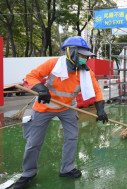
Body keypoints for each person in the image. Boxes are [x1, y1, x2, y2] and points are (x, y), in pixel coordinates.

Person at [13, 36, 108, 189]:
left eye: (86, 56)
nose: (85, 59)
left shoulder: (85, 72)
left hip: (67, 108)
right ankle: (28, 173)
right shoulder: (53, 64)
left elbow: (97, 90)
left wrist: (100, 109)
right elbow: (32, 76)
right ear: (71, 52)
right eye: (82, 55)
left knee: (72, 137)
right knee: (34, 142)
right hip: (45, 107)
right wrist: (41, 89)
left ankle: (67, 168)